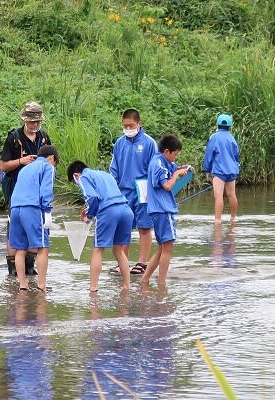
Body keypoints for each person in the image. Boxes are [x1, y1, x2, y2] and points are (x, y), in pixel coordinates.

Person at [0, 101, 52, 275]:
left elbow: (50, 163)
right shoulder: (14, 138)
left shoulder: (44, 138)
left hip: (36, 191)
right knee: (13, 228)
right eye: (31, 122)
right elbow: (4, 166)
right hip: (16, 190)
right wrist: (22, 161)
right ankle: (12, 269)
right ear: (24, 120)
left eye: (38, 122)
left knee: (35, 227)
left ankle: (29, 267)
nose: (35, 125)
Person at [67, 160, 134, 292]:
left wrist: (89, 216)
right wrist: (90, 210)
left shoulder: (84, 177)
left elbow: (93, 198)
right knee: (119, 250)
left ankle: (93, 288)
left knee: (98, 250)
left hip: (109, 212)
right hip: (126, 211)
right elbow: (108, 196)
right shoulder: (105, 175)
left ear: (76, 175)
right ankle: (127, 286)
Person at [109, 108, 157, 274]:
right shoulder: (120, 143)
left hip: (143, 189)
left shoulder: (149, 143)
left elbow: (154, 168)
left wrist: (154, 190)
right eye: (125, 126)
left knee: (144, 227)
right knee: (124, 228)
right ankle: (123, 262)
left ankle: (142, 263)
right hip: (124, 191)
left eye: (131, 125)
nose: (128, 129)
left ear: (139, 124)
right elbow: (114, 169)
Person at [9, 145, 58, 291]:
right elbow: (46, 191)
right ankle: (41, 286)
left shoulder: (25, 168)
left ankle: (23, 285)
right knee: (43, 247)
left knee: (20, 249)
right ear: (52, 158)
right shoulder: (48, 167)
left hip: (15, 208)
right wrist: (48, 212)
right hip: (32, 208)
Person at [140, 134, 188, 285]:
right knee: (167, 248)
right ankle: (162, 284)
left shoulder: (160, 160)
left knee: (162, 248)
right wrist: (176, 174)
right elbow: (167, 185)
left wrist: (181, 169)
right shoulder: (158, 164)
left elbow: (173, 169)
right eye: (175, 154)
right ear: (167, 151)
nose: (176, 157)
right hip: (163, 210)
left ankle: (144, 280)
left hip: (157, 210)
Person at [202, 113, 240, 224]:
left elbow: (209, 154)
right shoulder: (232, 138)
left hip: (219, 171)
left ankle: (218, 220)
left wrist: (207, 170)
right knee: (231, 194)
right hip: (232, 171)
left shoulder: (214, 137)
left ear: (217, 124)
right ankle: (233, 218)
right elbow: (236, 155)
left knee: (218, 195)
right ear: (230, 126)